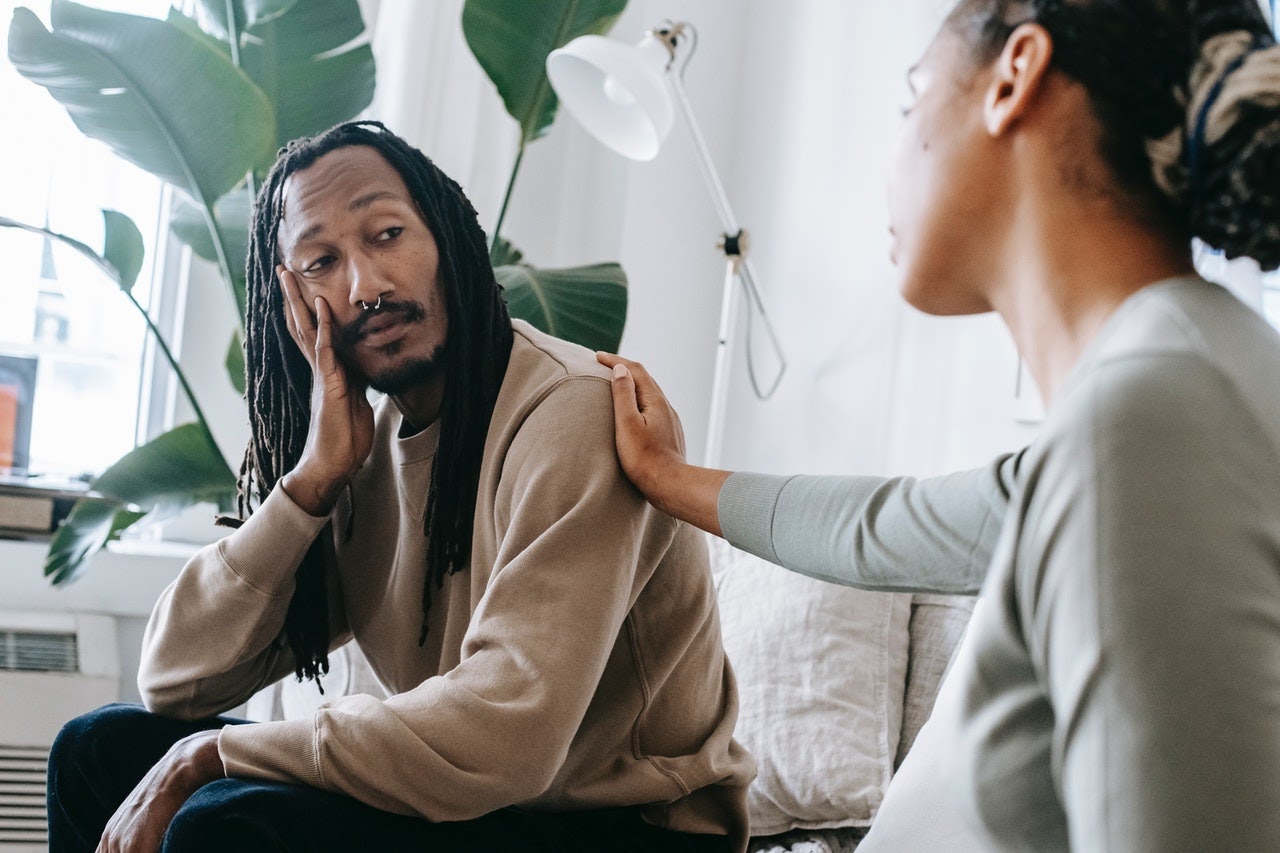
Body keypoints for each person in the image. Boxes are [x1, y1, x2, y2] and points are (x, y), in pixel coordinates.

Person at [599, 0, 1280, 850]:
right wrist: (664, 474)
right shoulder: (1169, 387)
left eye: (911, 97)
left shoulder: (1151, 419)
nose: (893, 153)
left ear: (1015, 76)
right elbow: (881, 527)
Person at [46, 121, 753, 853]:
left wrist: (213, 756)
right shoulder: (360, 451)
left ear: (445, 236)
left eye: (386, 234)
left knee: (220, 819)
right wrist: (309, 485)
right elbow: (176, 677)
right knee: (95, 752)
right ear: (291, 302)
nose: (367, 285)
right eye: (322, 260)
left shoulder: (570, 412)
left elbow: (510, 733)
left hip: (631, 828)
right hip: (483, 807)